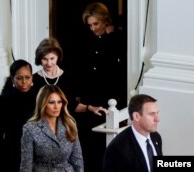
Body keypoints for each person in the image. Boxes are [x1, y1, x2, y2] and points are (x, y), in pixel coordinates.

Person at [72, 2, 128, 171]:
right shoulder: (87, 40)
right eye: (90, 25)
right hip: (91, 98)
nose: (93, 28)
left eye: (96, 24)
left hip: (111, 97)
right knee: (88, 145)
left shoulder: (117, 38)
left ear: (105, 21)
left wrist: (110, 37)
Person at [33, 37, 107, 116]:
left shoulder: (67, 77)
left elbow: (73, 106)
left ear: (58, 57)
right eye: (45, 59)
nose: (49, 63)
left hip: (65, 123)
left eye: (52, 58)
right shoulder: (33, 79)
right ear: (40, 58)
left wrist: (90, 108)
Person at [19, 85, 84, 172]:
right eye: (51, 102)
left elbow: (78, 160)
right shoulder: (30, 128)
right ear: (43, 104)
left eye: (59, 102)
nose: (56, 107)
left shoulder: (70, 125)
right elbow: (26, 165)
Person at [0, 59, 36, 172]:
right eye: (19, 78)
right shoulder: (2, 102)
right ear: (13, 79)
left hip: (36, 158)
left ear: (32, 77)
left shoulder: (40, 98)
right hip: (11, 159)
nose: (24, 82)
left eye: (27, 77)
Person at [103, 94, 163, 172]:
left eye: (157, 113)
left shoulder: (156, 137)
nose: (157, 119)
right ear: (136, 116)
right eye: (151, 114)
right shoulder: (117, 149)